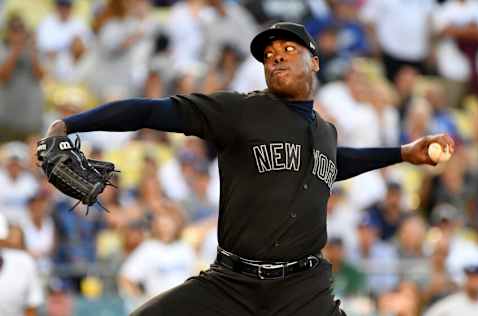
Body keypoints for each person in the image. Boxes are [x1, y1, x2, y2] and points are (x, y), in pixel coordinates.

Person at [44, 22, 455, 316]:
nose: (275, 58)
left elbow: (336, 163)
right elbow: (151, 110)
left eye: (288, 51)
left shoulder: (325, 132)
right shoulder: (239, 110)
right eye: (269, 56)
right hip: (231, 283)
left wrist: (403, 152)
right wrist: (71, 124)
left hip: (303, 291)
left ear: (314, 61)